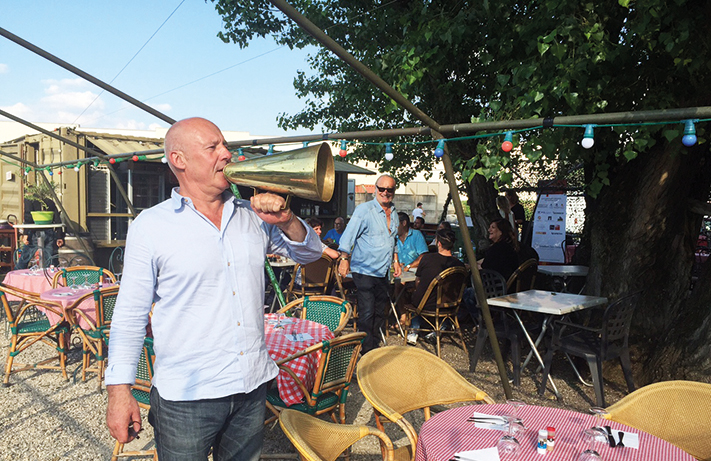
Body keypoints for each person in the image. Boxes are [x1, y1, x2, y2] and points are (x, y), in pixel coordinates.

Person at [105, 117, 322, 461]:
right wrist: (119, 392)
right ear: (179, 160)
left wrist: (288, 220)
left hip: (251, 388)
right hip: (185, 397)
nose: (227, 154)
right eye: (213, 148)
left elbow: (310, 253)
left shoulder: (252, 215)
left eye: (225, 146)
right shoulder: (151, 226)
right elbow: (129, 315)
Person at [337, 174, 401, 353]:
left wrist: (396, 261)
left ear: (394, 191)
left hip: (382, 271)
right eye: (382, 189)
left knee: (380, 311)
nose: (385, 193)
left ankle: (372, 345)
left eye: (390, 190)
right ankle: (365, 352)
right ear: (375, 188)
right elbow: (348, 235)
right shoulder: (364, 210)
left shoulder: (394, 212)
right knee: (367, 312)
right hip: (364, 269)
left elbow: (393, 239)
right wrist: (344, 259)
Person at [406, 228, 465, 344]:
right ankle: (441, 327)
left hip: (425, 303)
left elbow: (418, 281)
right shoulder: (459, 265)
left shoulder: (427, 258)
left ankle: (414, 329)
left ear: (438, 243)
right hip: (450, 305)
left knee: (412, 293)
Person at [16, 197, 65, 269]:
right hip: (49, 232)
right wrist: (59, 236)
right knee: (49, 260)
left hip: (34, 232)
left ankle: (16, 277)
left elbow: (28, 217)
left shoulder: (29, 200)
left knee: (25, 258)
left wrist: (25, 233)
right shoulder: (49, 201)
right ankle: (48, 278)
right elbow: (57, 218)